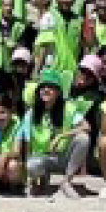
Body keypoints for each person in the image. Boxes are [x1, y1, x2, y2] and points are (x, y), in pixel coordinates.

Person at [21, 70, 92, 200]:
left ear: (58, 92)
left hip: (64, 157)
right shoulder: (31, 113)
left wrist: (61, 136)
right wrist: (30, 178)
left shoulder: (68, 108)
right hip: (42, 157)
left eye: (51, 87)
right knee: (31, 165)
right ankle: (40, 180)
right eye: (43, 87)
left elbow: (86, 127)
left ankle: (66, 182)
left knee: (83, 139)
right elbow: (27, 143)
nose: (46, 90)